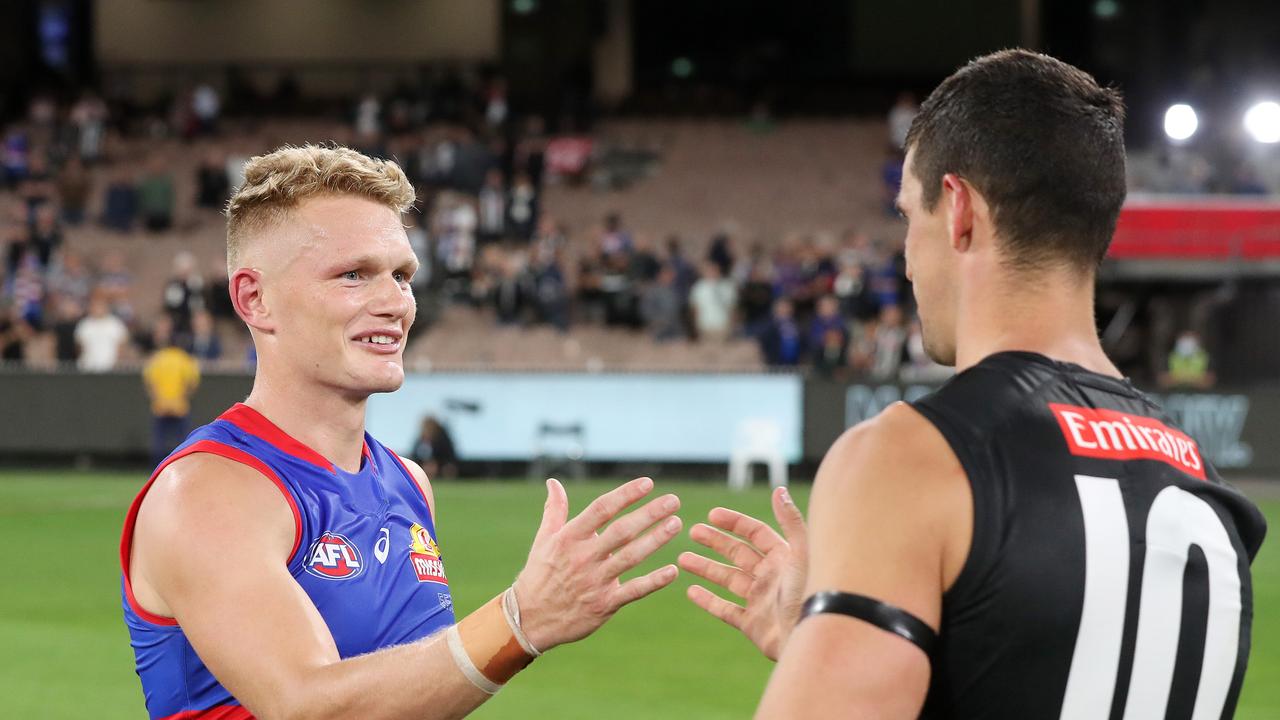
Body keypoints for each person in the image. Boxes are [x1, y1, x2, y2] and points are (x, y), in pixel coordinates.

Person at [678, 49, 1267, 718]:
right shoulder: (1207, 491)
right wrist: (829, 641)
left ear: (958, 210)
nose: (904, 260)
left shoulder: (911, 459)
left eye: (908, 217)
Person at [120, 145, 683, 719]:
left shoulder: (407, 483)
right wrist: (520, 621)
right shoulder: (207, 492)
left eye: (402, 275)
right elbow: (311, 708)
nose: (395, 303)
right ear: (254, 298)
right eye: (353, 275)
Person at [142, 316, 201, 468]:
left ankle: (156, 468)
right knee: (182, 440)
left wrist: (155, 397)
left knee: (159, 441)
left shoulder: (157, 358)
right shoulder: (184, 359)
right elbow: (193, 382)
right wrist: (184, 396)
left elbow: (149, 382)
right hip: (179, 406)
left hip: (160, 406)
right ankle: (180, 466)